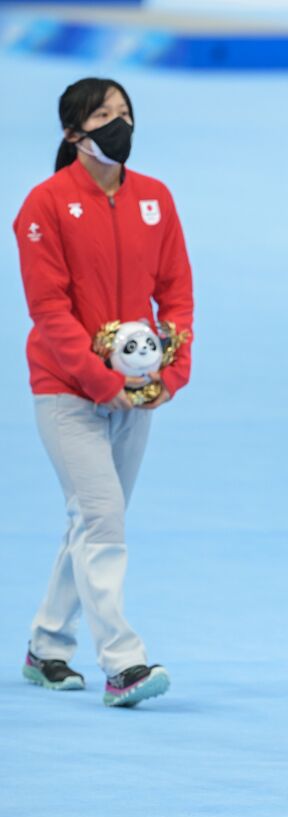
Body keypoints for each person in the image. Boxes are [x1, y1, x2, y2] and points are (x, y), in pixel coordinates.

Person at [12, 77, 193, 708]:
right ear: (73, 134)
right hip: (66, 391)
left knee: (92, 518)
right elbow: (49, 310)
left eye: (125, 113)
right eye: (104, 115)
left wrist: (171, 371)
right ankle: (122, 661)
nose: (120, 124)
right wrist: (100, 380)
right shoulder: (44, 205)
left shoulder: (155, 199)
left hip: (136, 393)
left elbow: (176, 294)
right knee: (103, 516)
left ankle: (46, 646)